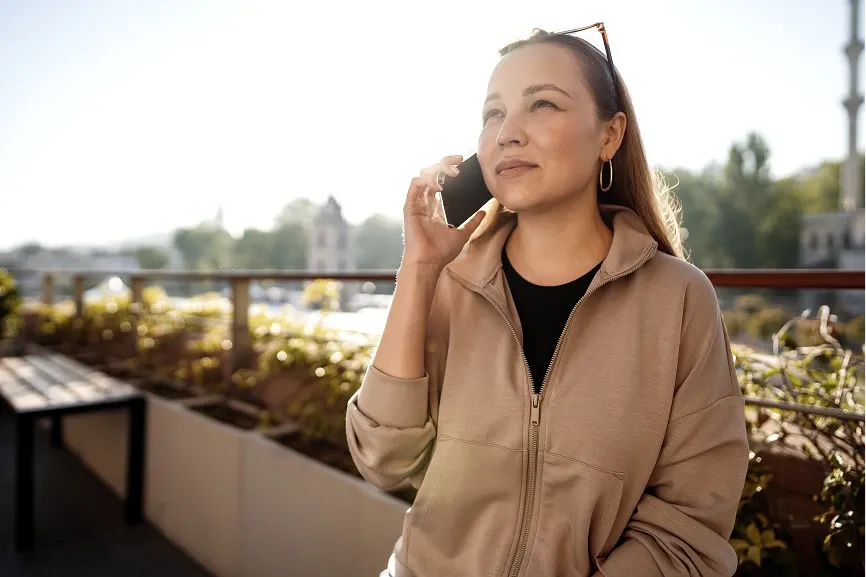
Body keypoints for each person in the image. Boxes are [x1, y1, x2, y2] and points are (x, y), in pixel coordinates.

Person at [347, 26, 749, 577]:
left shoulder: (679, 299)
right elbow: (382, 459)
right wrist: (418, 268)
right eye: (493, 114)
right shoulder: (448, 283)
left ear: (610, 136)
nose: (508, 133)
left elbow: (690, 526)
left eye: (541, 104)